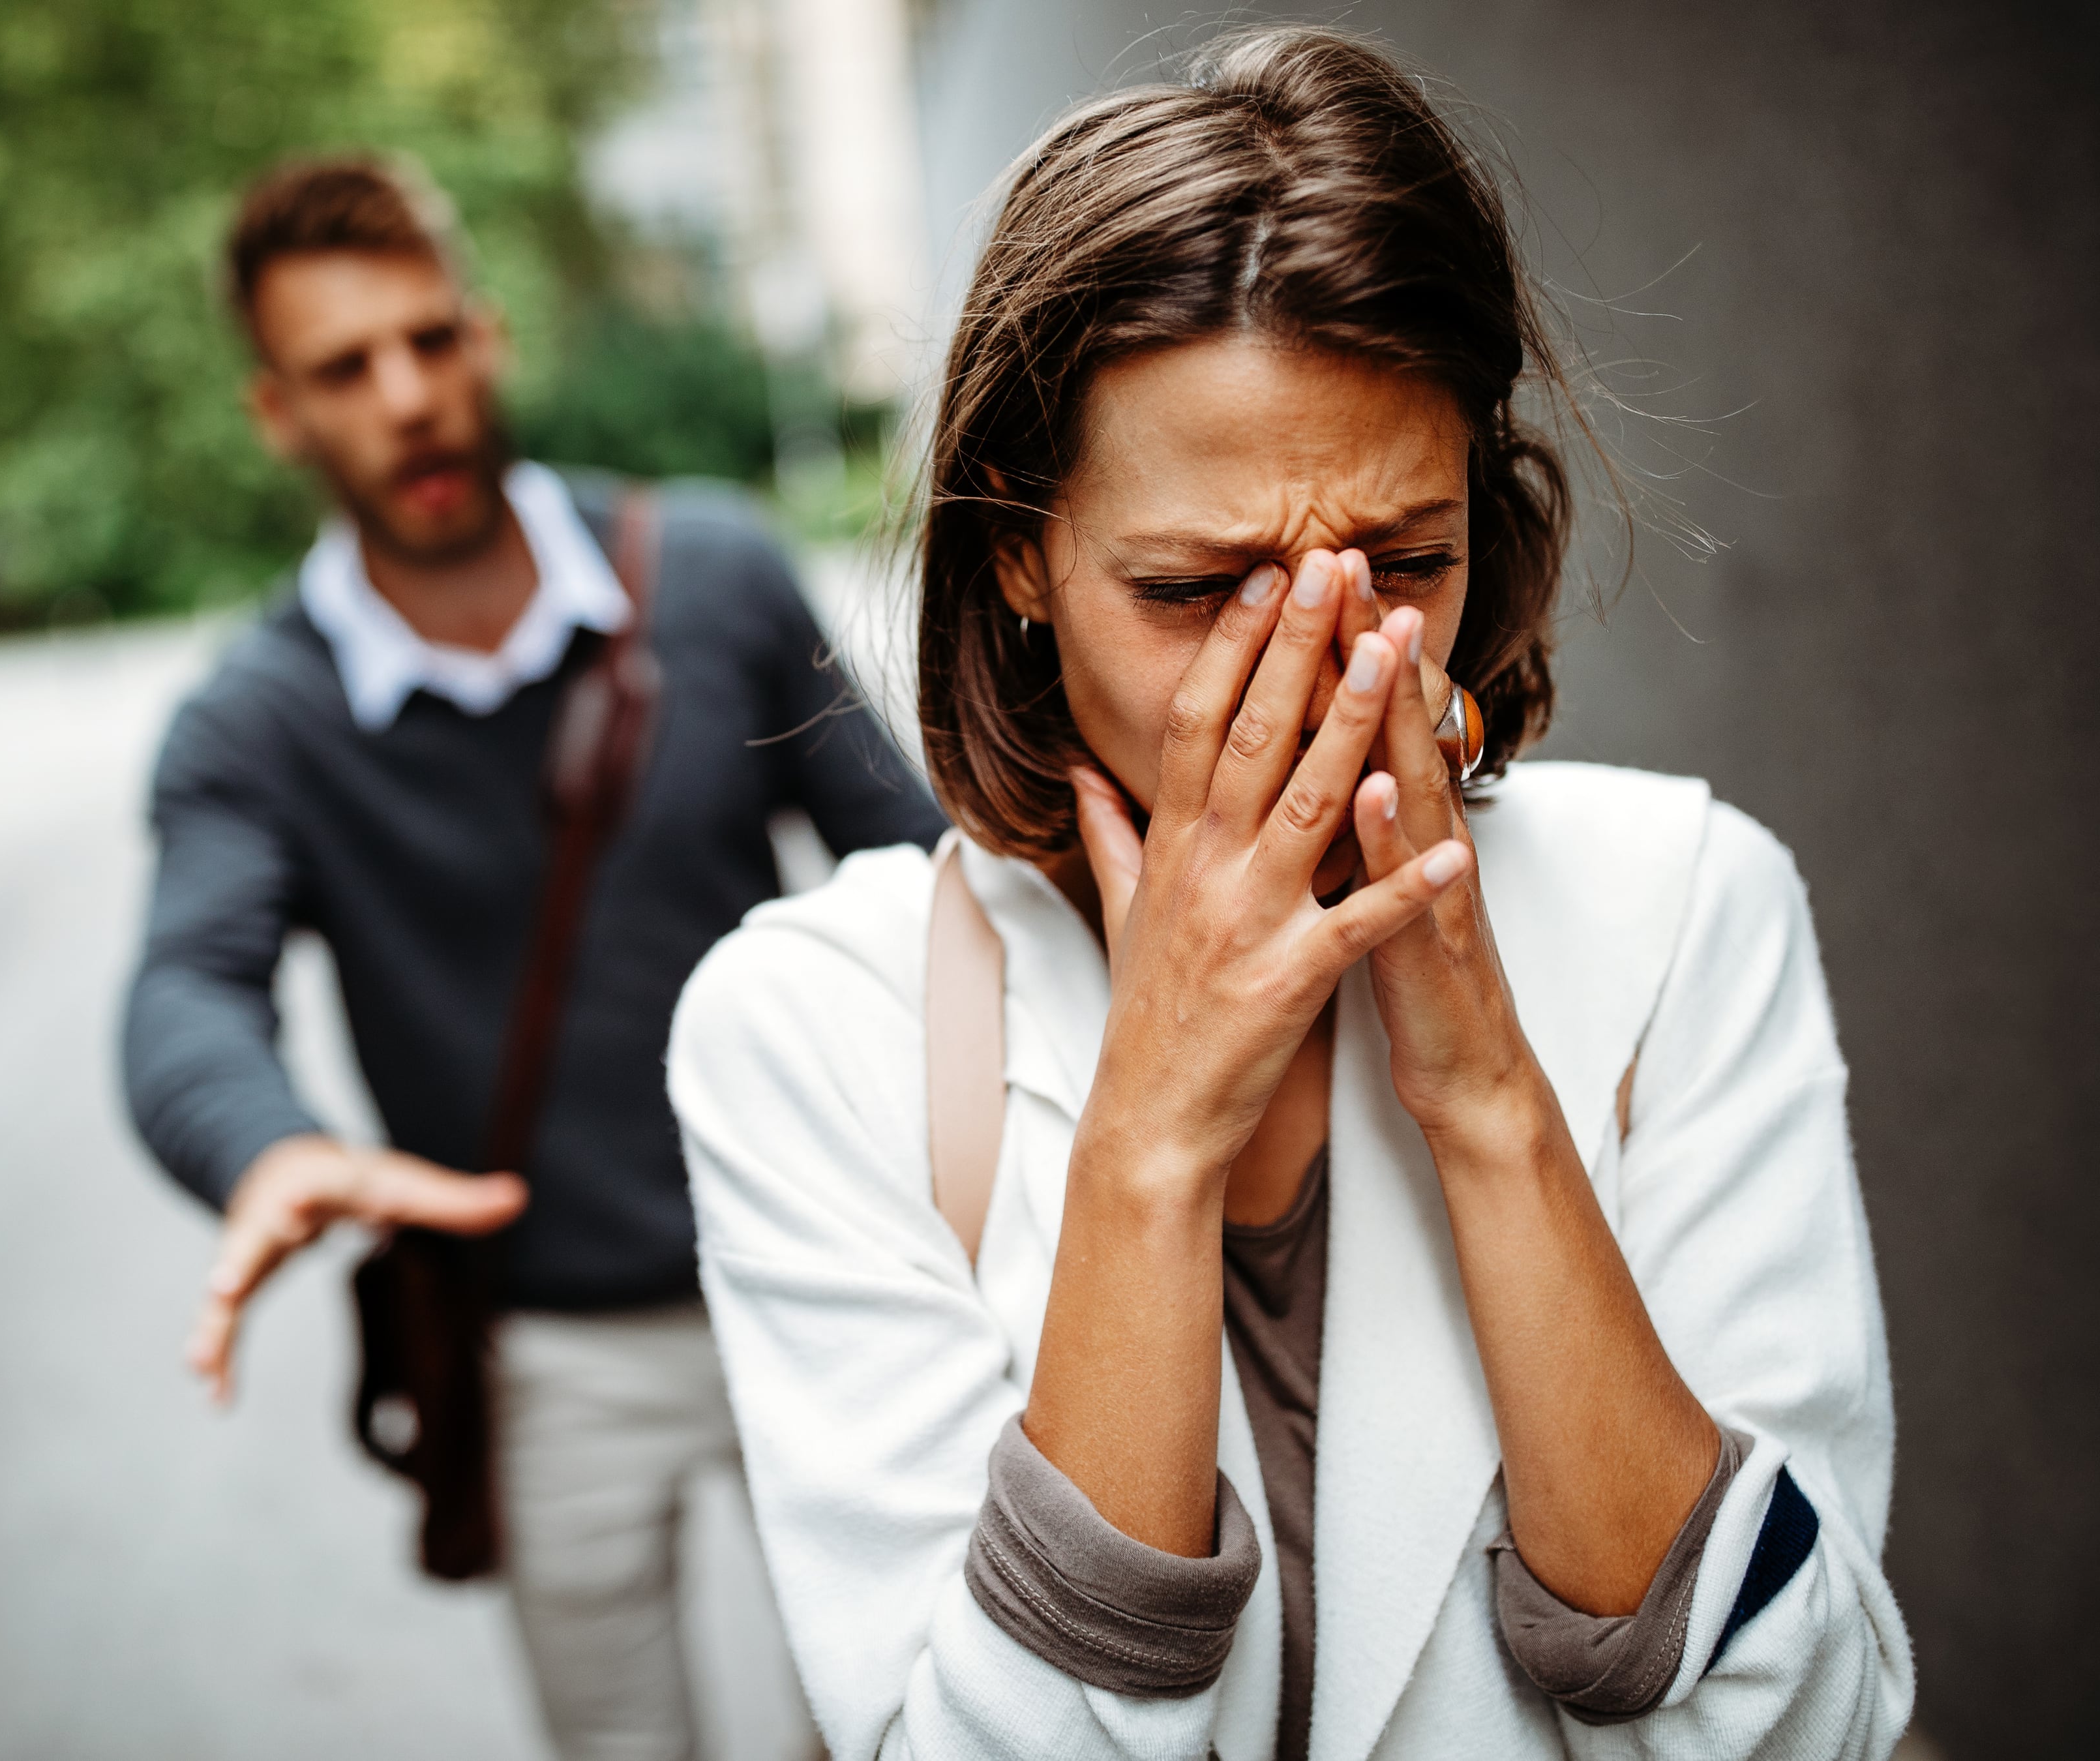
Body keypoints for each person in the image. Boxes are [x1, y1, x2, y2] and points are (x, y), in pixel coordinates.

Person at [668, 26, 1912, 1761]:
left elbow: (1800, 1722)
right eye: (1196, 591)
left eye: (1404, 564)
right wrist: (1154, 1132)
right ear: (1019, 551)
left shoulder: (1688, 907)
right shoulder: (814, 1028)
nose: (1316, 672)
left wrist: (1489, 1099)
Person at [122, 156, 944, 1760]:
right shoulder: (256, 723)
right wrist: (268, 1146)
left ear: (488, 337)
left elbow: (919, 869)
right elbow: (186, 988)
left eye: (431, 339)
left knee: (896, 1729)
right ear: (276, 414)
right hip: (546, 1349)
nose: (407, 396)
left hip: (828, 1279)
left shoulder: (713, 574)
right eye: (344, 369)